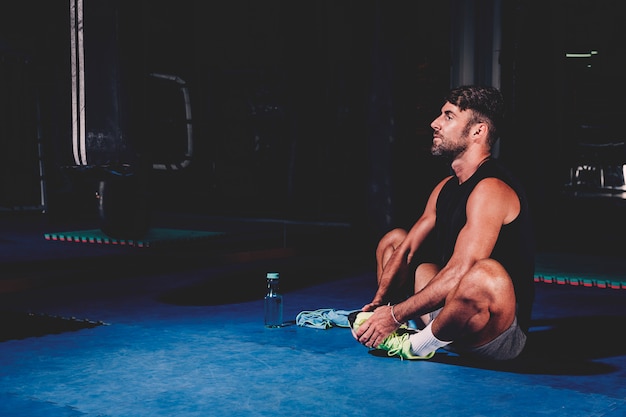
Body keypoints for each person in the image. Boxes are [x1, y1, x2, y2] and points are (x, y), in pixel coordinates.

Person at [350, 85, 535, 361]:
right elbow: (407, 250)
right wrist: (379, 305)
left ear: (478, 131)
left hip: (492, 331)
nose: (435, 123)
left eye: (448, 116)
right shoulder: (446, 187)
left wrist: (393, 315)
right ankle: (413, 331)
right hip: (450, 315)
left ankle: (418, 346)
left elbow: (462, 270)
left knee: (485, 273)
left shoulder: (492, 188)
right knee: (394, 240)